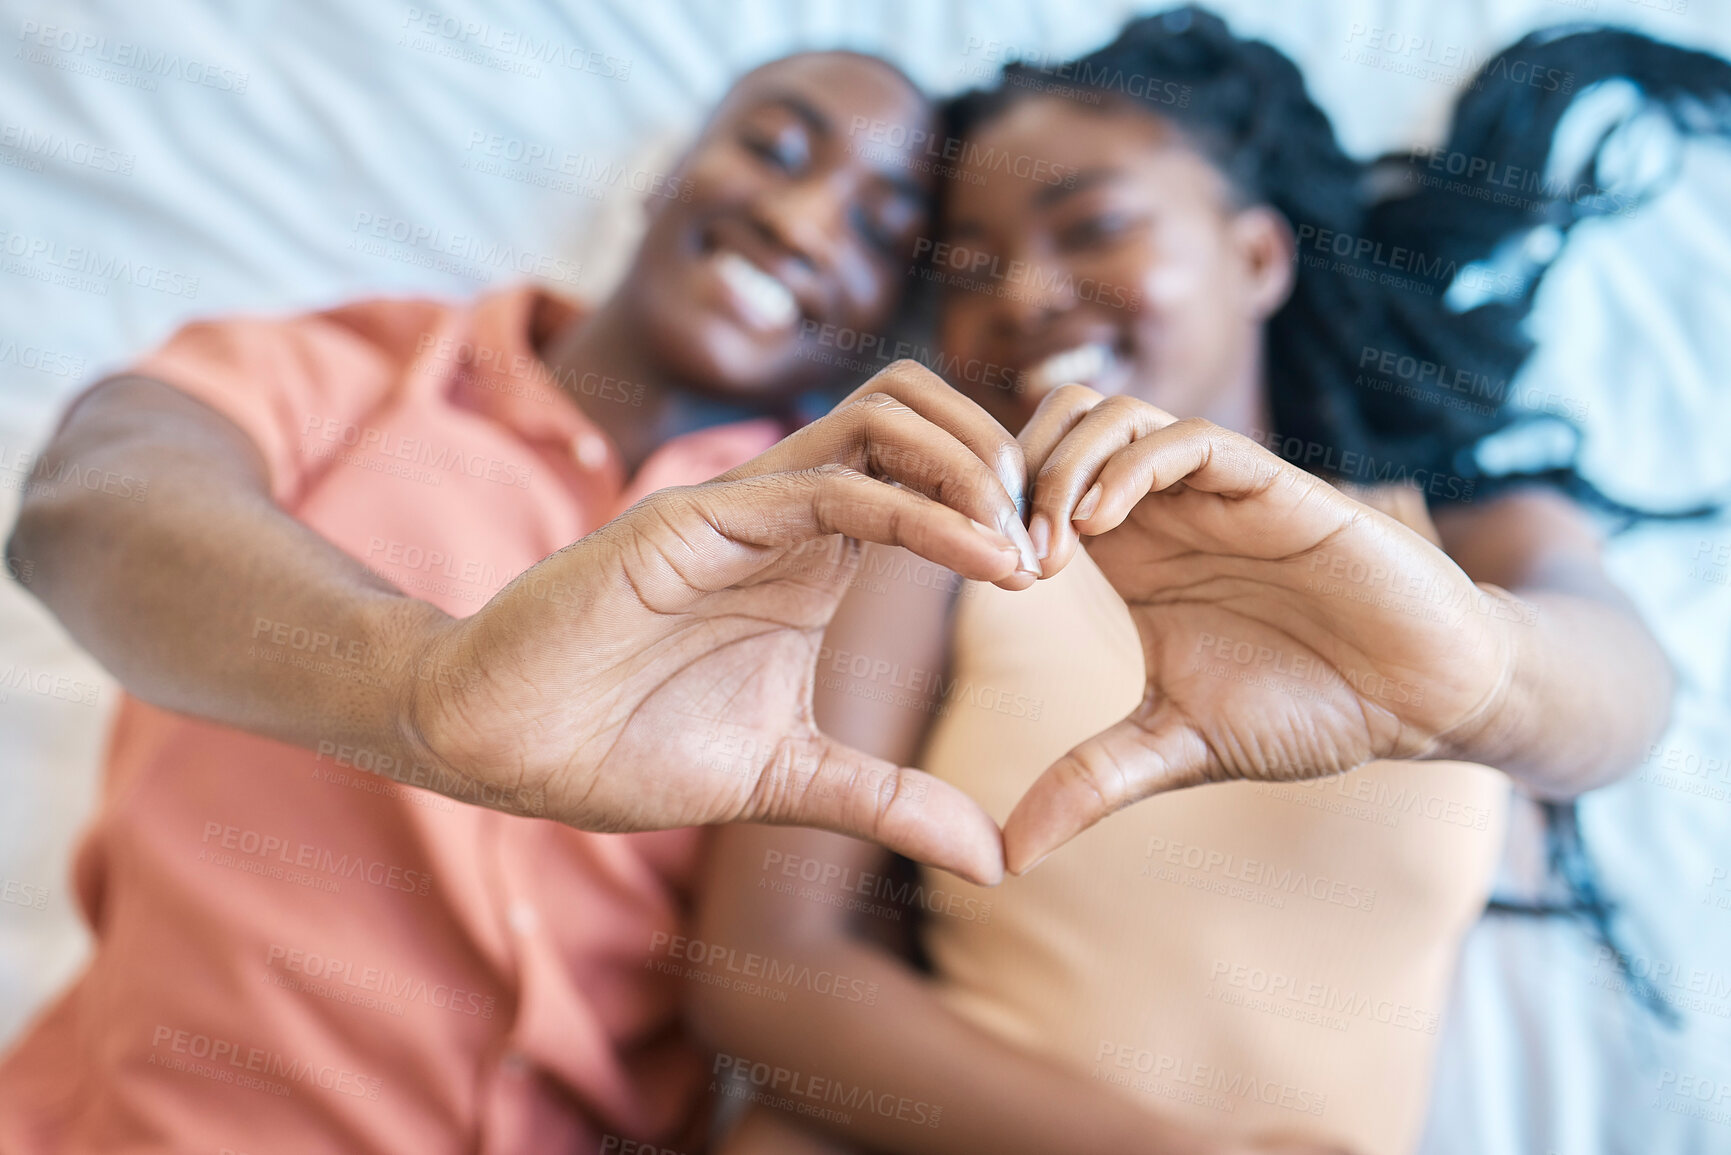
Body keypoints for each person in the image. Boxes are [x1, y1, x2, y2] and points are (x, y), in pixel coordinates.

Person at [0, 49, 1048, 1154]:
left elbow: (789, 975)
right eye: (775, 148)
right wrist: (426, 691)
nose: (801, 220)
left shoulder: (856, 555)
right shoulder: (359, 372)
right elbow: (85, 507)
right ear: (666, 174)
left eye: (881, 230)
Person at [690, 10, 1676, 1155]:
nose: (1021, 294)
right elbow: (764, 967)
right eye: (968, 268)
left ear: (1257, 257)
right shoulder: (937, 542)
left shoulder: (1461, 541)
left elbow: (1627, 707)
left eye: (1092, 226)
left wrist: (1475, 670)